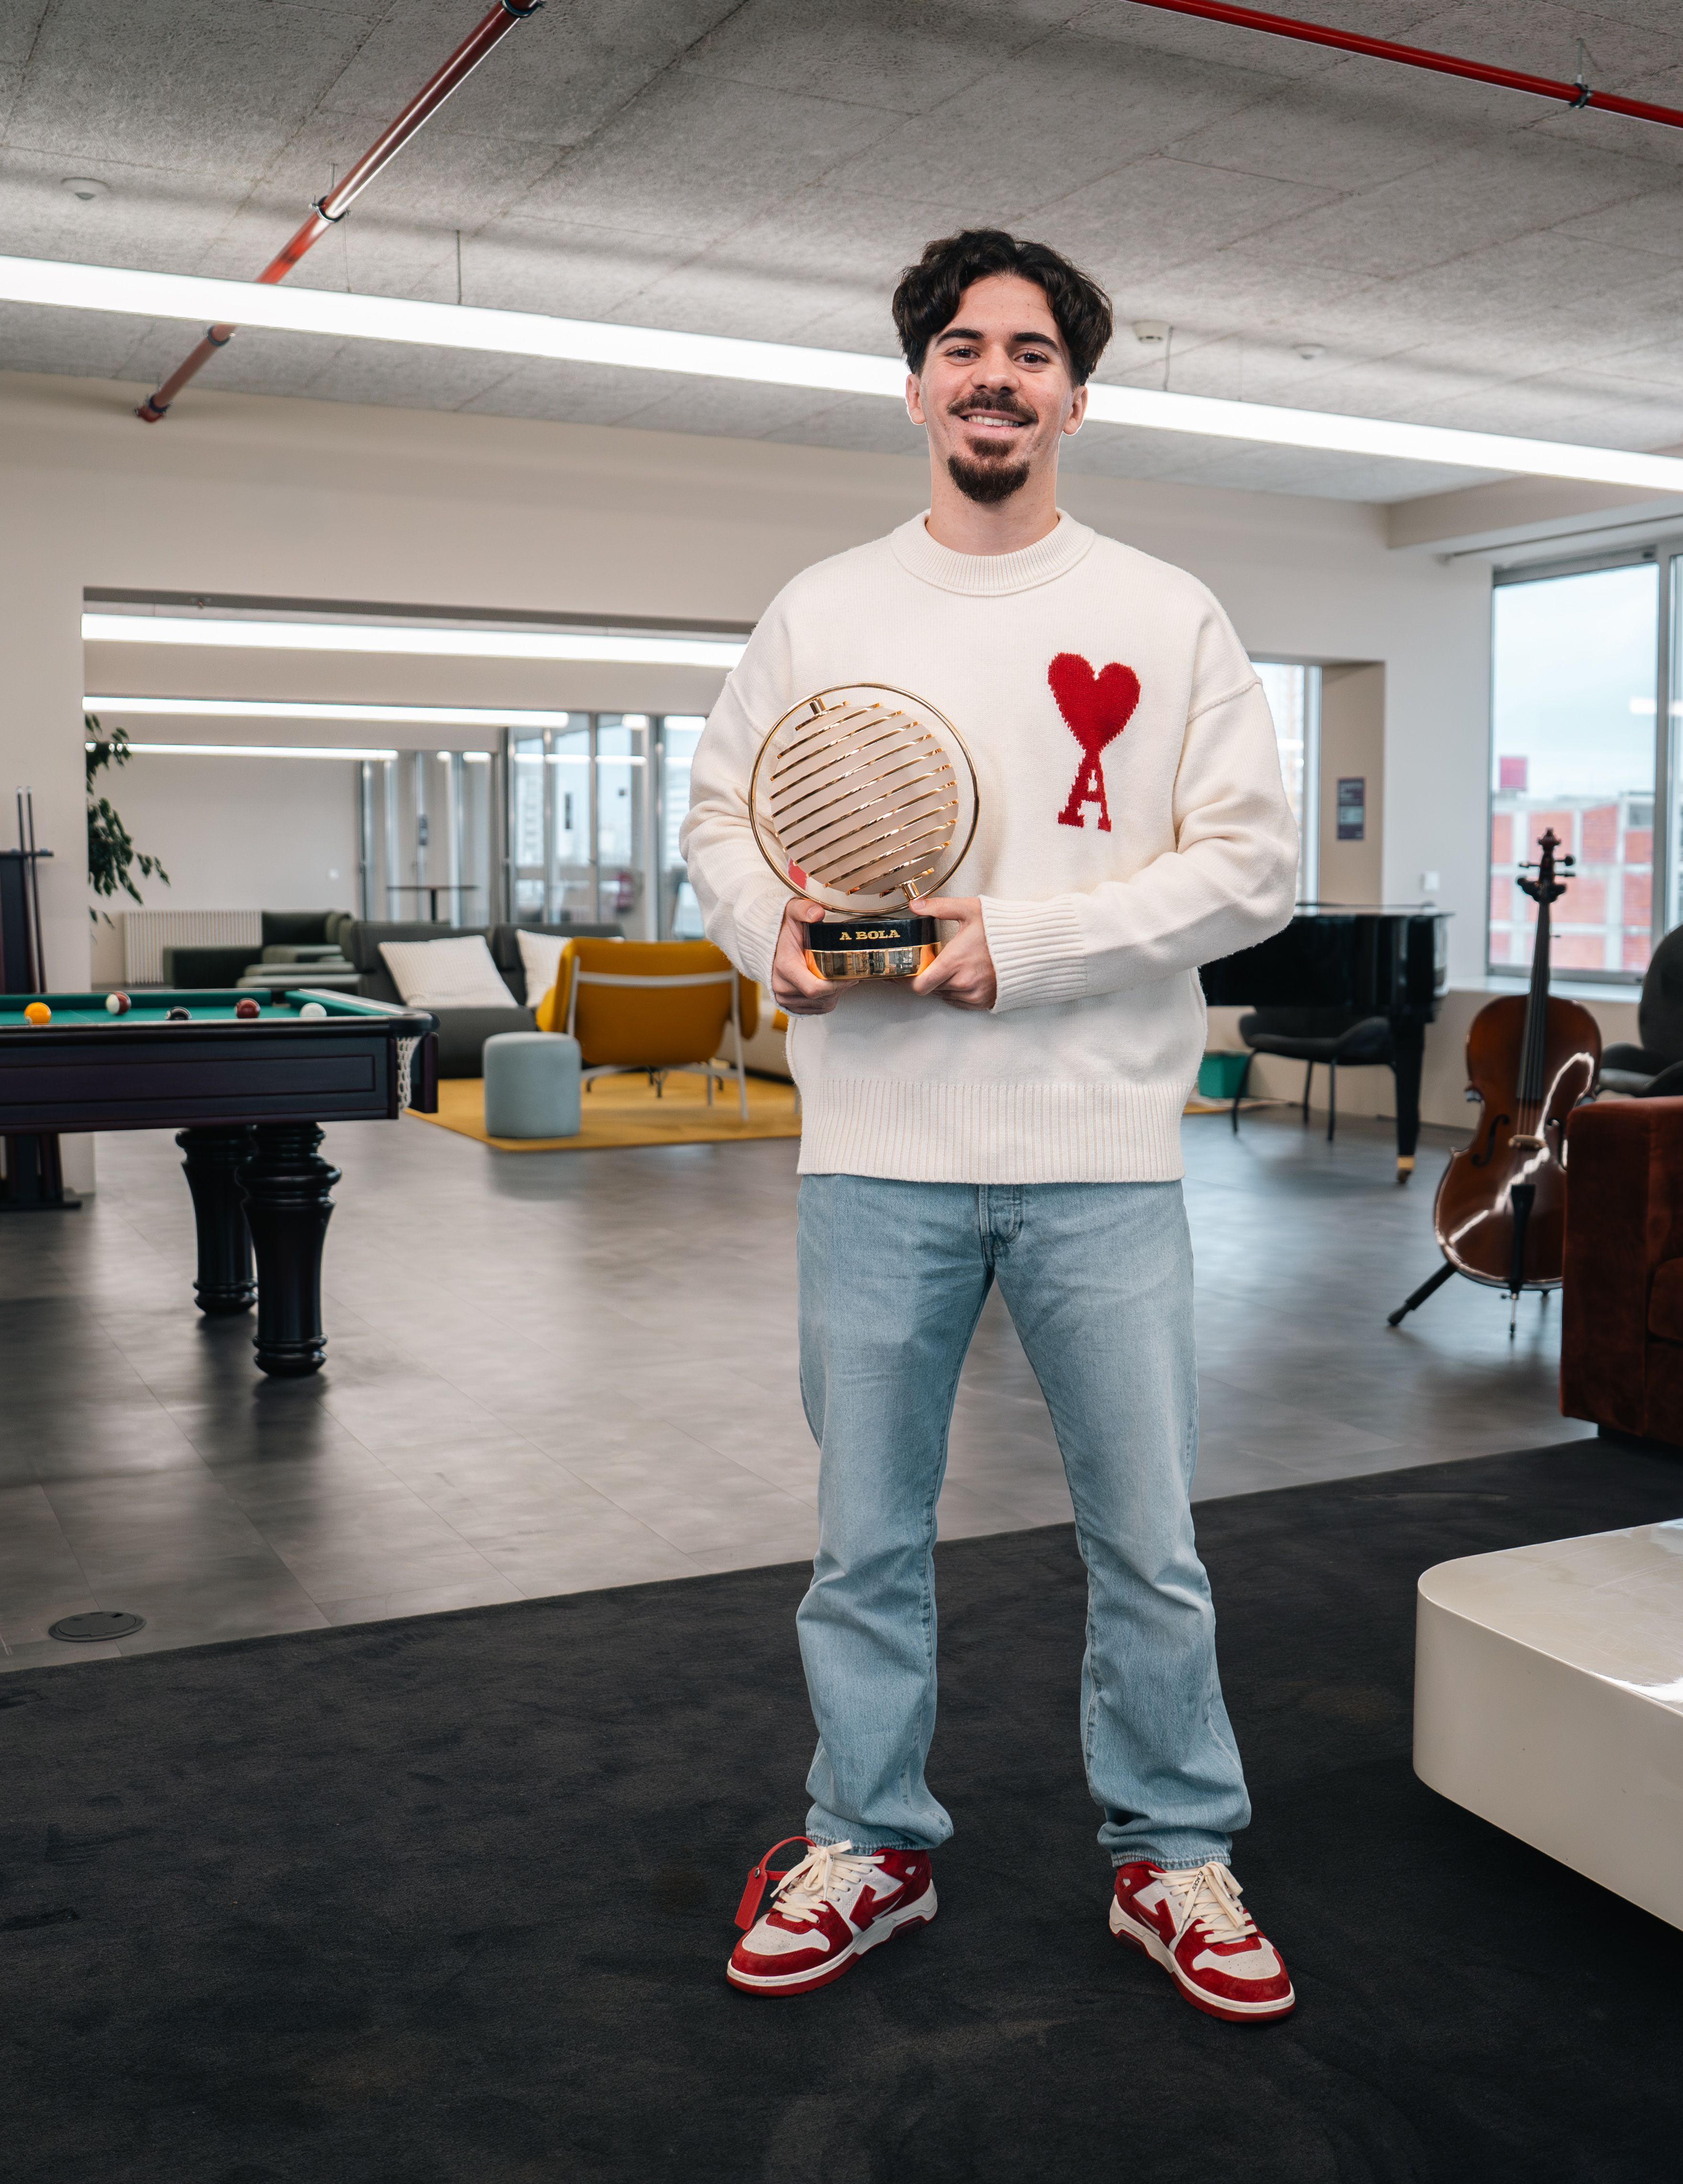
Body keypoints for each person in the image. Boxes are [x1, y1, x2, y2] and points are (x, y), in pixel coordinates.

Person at [677, 228, 1301, 2023]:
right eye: (963, 347)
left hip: (1101, 1156)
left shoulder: (1165, 612)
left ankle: (1175, 1854)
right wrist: (771, 931)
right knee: (863, 1541)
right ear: (915, 384)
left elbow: (1252, 864)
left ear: (1076, 399)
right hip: (874, 1151)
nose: (995, 377)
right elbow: (725, 820)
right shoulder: (821, 608)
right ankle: (866, 1837)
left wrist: (1010, 945)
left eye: (1031, 353)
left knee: (1149, 1541)